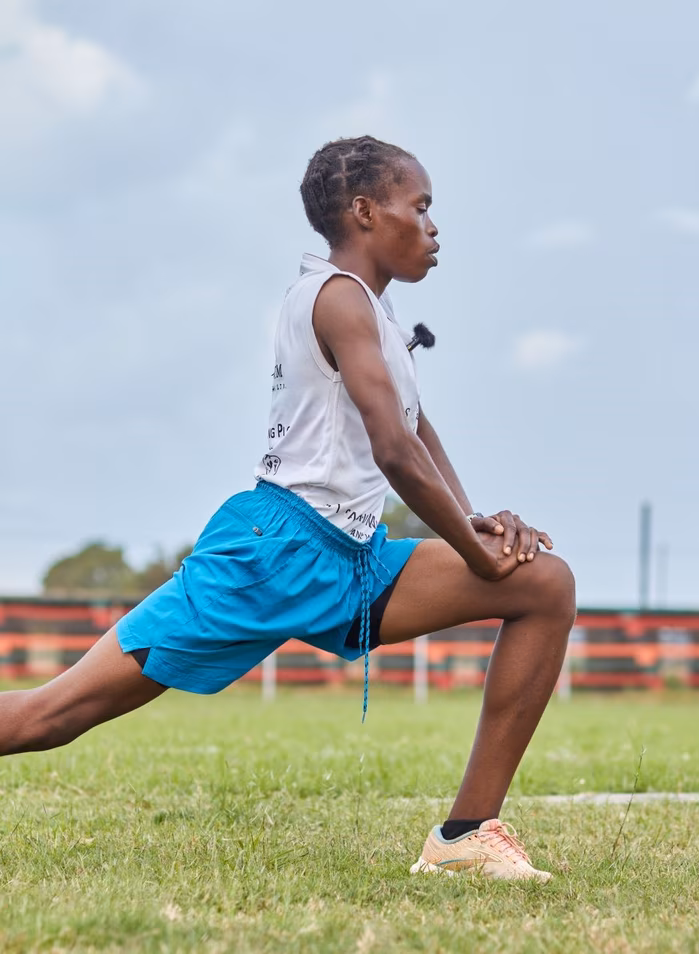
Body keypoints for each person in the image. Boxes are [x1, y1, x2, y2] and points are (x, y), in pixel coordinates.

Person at [0, 136, 576, 881]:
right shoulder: (335, 298)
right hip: (271, 555)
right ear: (366, 212)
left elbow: (414, 428)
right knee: (54, 715)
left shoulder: (377, 311)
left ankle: (464, 837)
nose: (434, 228)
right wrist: (474, 551)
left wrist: (477, 525)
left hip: (351, 559)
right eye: (422, 208)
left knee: (543, 584)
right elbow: (395, 454)